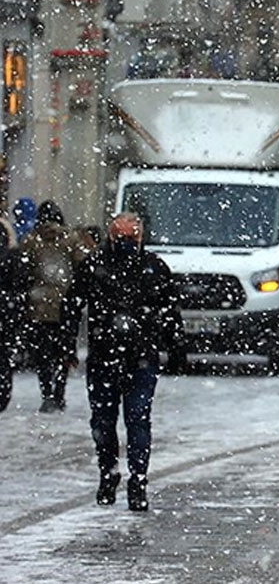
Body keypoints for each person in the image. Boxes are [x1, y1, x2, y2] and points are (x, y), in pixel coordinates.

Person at [63, 214, 180, 511]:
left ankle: (137, 480)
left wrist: (174, 346)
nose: (126, 242)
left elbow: (170, 310)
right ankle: (110, 473)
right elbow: (72, 304)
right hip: (107, 356)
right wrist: (67, 345)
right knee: (105, 420)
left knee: (136, 419)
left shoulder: (153, 267)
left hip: (139, 357)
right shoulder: (96, 266)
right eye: (121, 236)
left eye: (131, 236)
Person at [20, 200, 86, 412]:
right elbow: (83, 266)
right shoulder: (71, 240)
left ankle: (47, 392)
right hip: (65, 305)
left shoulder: (32, 240)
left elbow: (23, 270)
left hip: (38, 306)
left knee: (42, 354)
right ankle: (60, 391)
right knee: (63, 351)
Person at [0, 221, 25, 412]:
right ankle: (3, 393)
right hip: (6, 313)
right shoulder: (13, 257)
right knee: (3, 356)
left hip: (6, 311)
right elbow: (20, 284)